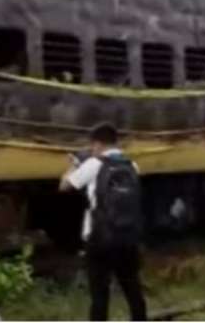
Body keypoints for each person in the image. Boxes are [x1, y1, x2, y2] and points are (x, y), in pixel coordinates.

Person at [59, 122, 147, 321]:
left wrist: (74, 164)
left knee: (100, 294)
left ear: (97, 143)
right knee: (132, 288)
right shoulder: (132, 165)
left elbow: (64, 185)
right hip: (128, 236)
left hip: (100, 239)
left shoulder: (94, 164)